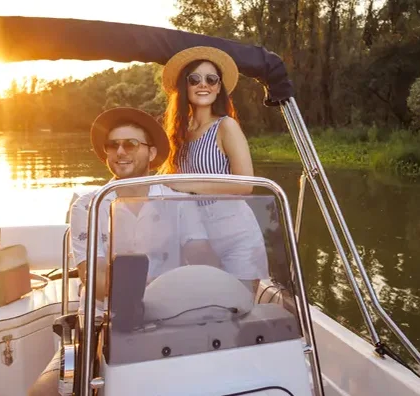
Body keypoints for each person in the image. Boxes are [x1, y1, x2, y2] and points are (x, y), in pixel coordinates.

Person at [28, 107, 221, 396]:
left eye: (130, 144)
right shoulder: (87, 205)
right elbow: (96, 280)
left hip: (172, 315)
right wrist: (161, 288)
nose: (120, 151)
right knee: (41, 393)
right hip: (102, 321)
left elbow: (201, 254)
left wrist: (213, 281)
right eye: (113, 145)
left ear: (152, 153)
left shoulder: (178, 200)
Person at [158, 46, 269, 288]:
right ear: (184, 86)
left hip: (236, 235)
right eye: (194, 79)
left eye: (211, 79)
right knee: (206, 308)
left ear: (219, 87)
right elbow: (166, 183)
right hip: (196, 238)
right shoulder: (178, 134)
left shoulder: (226, 126)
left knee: (238, 309)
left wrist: (186, 184)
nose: (203, 84)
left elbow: (246, 185)